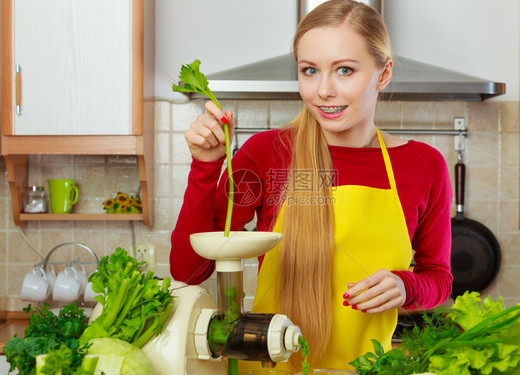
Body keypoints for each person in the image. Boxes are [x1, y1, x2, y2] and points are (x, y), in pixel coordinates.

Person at [170, 0, 452, 371]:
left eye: (345, 70)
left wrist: (406, 287)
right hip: (269, 368)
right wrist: (206, 167)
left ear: (383, 74)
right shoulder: (267, 154)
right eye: (309, 71)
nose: (323, 90)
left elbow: (439, 278)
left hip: (367, 368)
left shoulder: (424, 165)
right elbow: (188, 270)